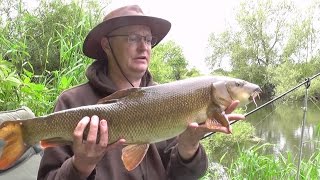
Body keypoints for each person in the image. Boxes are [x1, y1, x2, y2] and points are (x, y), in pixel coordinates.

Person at [37, 4, 245, 180]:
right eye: (133, 38)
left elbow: (181, 175)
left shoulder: (170, 98)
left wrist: (189, 146)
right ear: (106, 44)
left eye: (148, 39)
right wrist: (80, 165)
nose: (144, 47)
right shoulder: (73, 101)